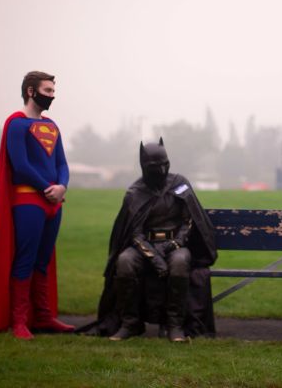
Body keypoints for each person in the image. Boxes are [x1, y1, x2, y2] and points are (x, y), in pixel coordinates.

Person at [89, 139, 217, 342]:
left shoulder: (179, 184)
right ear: (144, 166)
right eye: (156, 166)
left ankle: (174, 324)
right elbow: (133, 232)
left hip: (176, 245)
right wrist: (154, 257)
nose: (162, 169)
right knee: (124, 262)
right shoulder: (135, 192)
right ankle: (130, 323)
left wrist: (175, 244)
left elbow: (190, 220)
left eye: (165, 163)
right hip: (143, 247)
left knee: (180, 261)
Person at [0, 71, 73, 340]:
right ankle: (19, 321)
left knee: (43, 261)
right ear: (31, 91)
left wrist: (62, 187)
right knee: (25, 260)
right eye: (47, 91)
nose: (52, 96)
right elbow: (20, 166)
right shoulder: (16, 124)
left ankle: (43, 317)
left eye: (54, 91)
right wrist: (50, 188)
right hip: (28, 201)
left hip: (53, 203)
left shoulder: (53, 126)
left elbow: (62, 164)